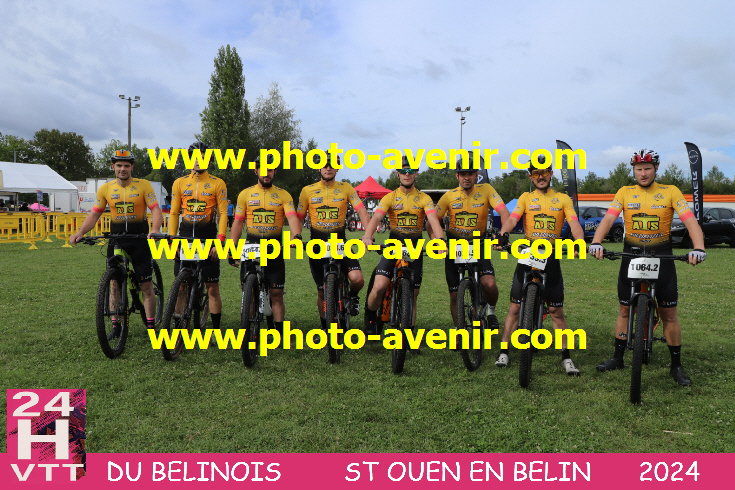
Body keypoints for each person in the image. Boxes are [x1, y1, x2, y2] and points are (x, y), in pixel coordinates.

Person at [589, 149, 706, 386]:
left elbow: (690, 221)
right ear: (634, 170)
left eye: (647, 169)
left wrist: (699, 247)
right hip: (631, 256)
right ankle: (618, 357)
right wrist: (597, 242)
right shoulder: (624, 192)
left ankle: (676, 365)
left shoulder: (670, 191)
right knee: (624, 310)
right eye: (639, 169)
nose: (643, 173)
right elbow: (609, 219)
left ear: (655, 169)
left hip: (662, 257)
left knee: (669, 314)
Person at [493, 156, 584, 375]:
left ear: (551, 174)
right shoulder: (526, 197)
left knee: (556, 311)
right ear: (530, 177)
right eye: (536, 173)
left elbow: (573, 222)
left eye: (544, 173)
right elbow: (513, 218)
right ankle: (504, 351)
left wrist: (579, 241)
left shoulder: (562, 198)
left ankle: (566, 357)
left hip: (551, 254)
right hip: (528, 252)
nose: (540, 177)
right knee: (515, 307)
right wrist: (503, 234)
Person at [70, 149, 163, 337]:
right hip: (117, 240)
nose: (123, 169)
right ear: (113, 166)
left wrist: (155, 229)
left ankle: (151, 327)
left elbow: (155, 209)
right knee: (114, 284)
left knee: (146, 286)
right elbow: (94, 214)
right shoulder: (106, 188)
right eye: (119, 165)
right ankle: (116, 325)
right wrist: (80, 232)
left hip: (139, 240)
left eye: (126, 166)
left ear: (132, 168)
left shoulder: (144, 185)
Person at [362, 155, 445, 337]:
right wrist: (368, 235)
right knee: (379, 286)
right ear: (398, 173)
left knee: (413, 295)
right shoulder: (390, 197)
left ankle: (409, 335)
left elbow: (433, 220)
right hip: (394, 244)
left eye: (411, 171)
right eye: (403, 171)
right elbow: (376, 217)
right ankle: (370, 315)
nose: (407, 174)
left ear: (416, 173)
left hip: (415, 247)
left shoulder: (424, 198)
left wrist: (440, 240)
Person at [229, 154, 302, 334]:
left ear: (275, 172)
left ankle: (278, 334)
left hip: (274, 247)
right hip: (251, 246)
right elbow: (238, 222)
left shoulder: (283, 194)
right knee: (247, 292)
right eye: (263, 169)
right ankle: (247, 332)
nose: (266, 173)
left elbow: (292, 217)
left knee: (276, 294)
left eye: (270, 170)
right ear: (256, 171)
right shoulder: (245, 194)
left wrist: (296, 235)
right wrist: (232, 248)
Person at [436, 155, 510, 331]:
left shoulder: (486, 189)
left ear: (477, 174)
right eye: (463, 174)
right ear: (457, 175)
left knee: (489, 284)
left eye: (470, 173)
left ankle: (491, 311)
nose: (466, 177)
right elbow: (432, 221)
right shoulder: (448, 196)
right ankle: (459, 330)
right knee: (455, 295)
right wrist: (438, 241)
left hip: (479, 244)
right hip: (454, 247)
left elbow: (504, 212)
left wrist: (503, 235)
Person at [297, 154, 371, 328]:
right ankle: (325, 326)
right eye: (325, 165)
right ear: (319, 168)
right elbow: (298, 217)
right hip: (317, 245)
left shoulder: (346, 188)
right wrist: (296, 236)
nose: (328, 168)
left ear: (337, 168)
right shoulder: (307, 190)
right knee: (321, 291)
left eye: (332, 165)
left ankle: (352, 296)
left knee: (357, 279)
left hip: (340, 243)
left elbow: (361, 210)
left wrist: (368, 234)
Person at [169, 142, 228, 330]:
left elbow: (223, 214)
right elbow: (174, 213)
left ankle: (216, 331)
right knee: (181, 286)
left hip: (208, 239)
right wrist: (172, 240)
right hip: (185, 238)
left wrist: (219, 242)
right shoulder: (179, 183)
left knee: (212, 288)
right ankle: (179, 329)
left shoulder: (218, 183)